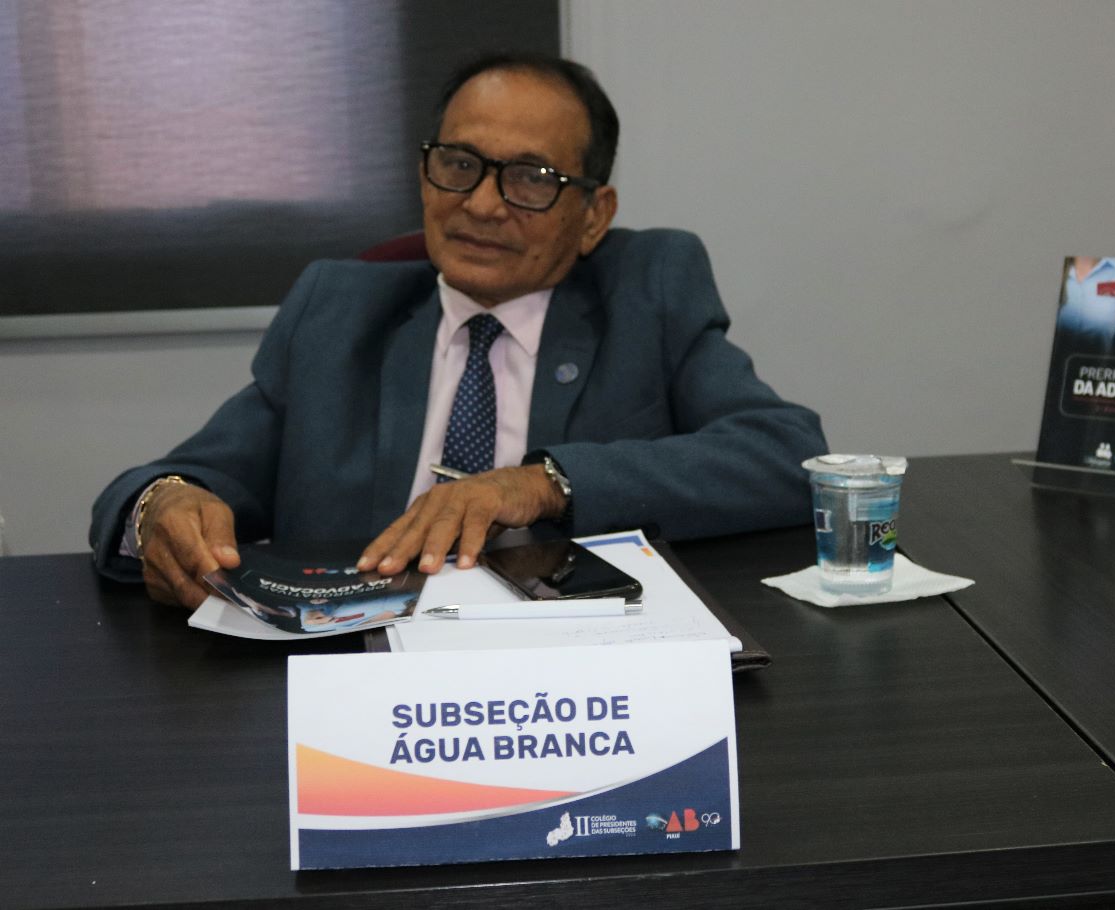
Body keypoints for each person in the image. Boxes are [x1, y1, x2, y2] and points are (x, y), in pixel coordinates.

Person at [90, 52, 828, 610]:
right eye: (460, 163)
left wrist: (543, 485)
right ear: (426, 174)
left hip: (577, 677)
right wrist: (161, 507)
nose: (481, 204)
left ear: (594, 216)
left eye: (531, 177)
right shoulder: (338, 313)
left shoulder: (649, 293)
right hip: (359, 675)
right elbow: (184, 477)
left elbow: (788, 458)